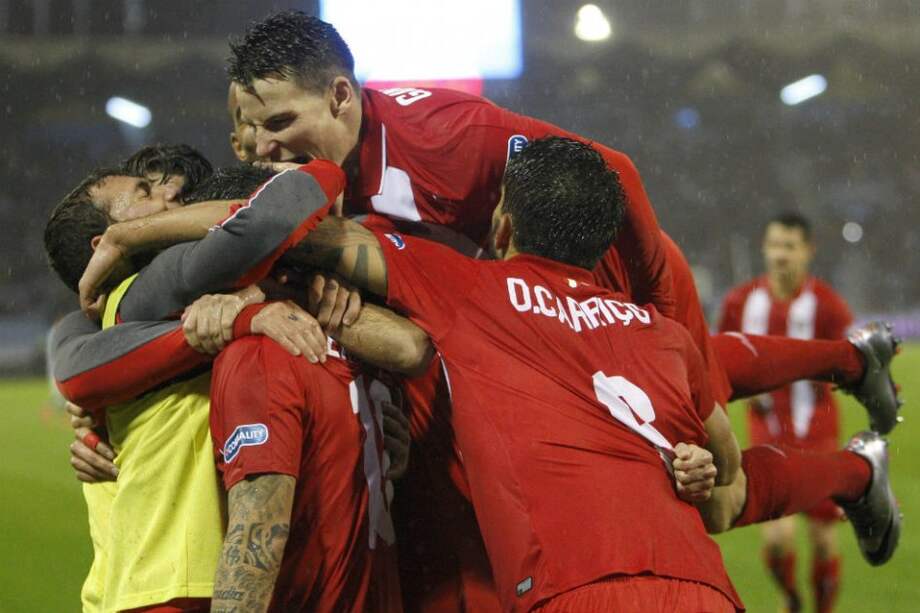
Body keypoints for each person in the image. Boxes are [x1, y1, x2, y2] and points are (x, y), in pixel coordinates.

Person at [48, 159, 421, 611]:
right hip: (175, 585)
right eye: (147, 193)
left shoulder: (116, 321)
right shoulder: (164, 280)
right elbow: (272, 216)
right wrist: (324, 167)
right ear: (102, 242)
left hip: (143, 582)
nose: (170, 202)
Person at [719, 213, 850, 612]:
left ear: (808, 251)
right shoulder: (741, 303)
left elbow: (849, 362)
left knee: (825, 541)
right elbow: (719, 360)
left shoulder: (826, 307)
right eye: (774, 245)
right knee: (777, 540)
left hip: (818, 433)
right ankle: (791, 598)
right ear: (764, 247)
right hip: (769, 434)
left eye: (789, 247)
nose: (780, 255)